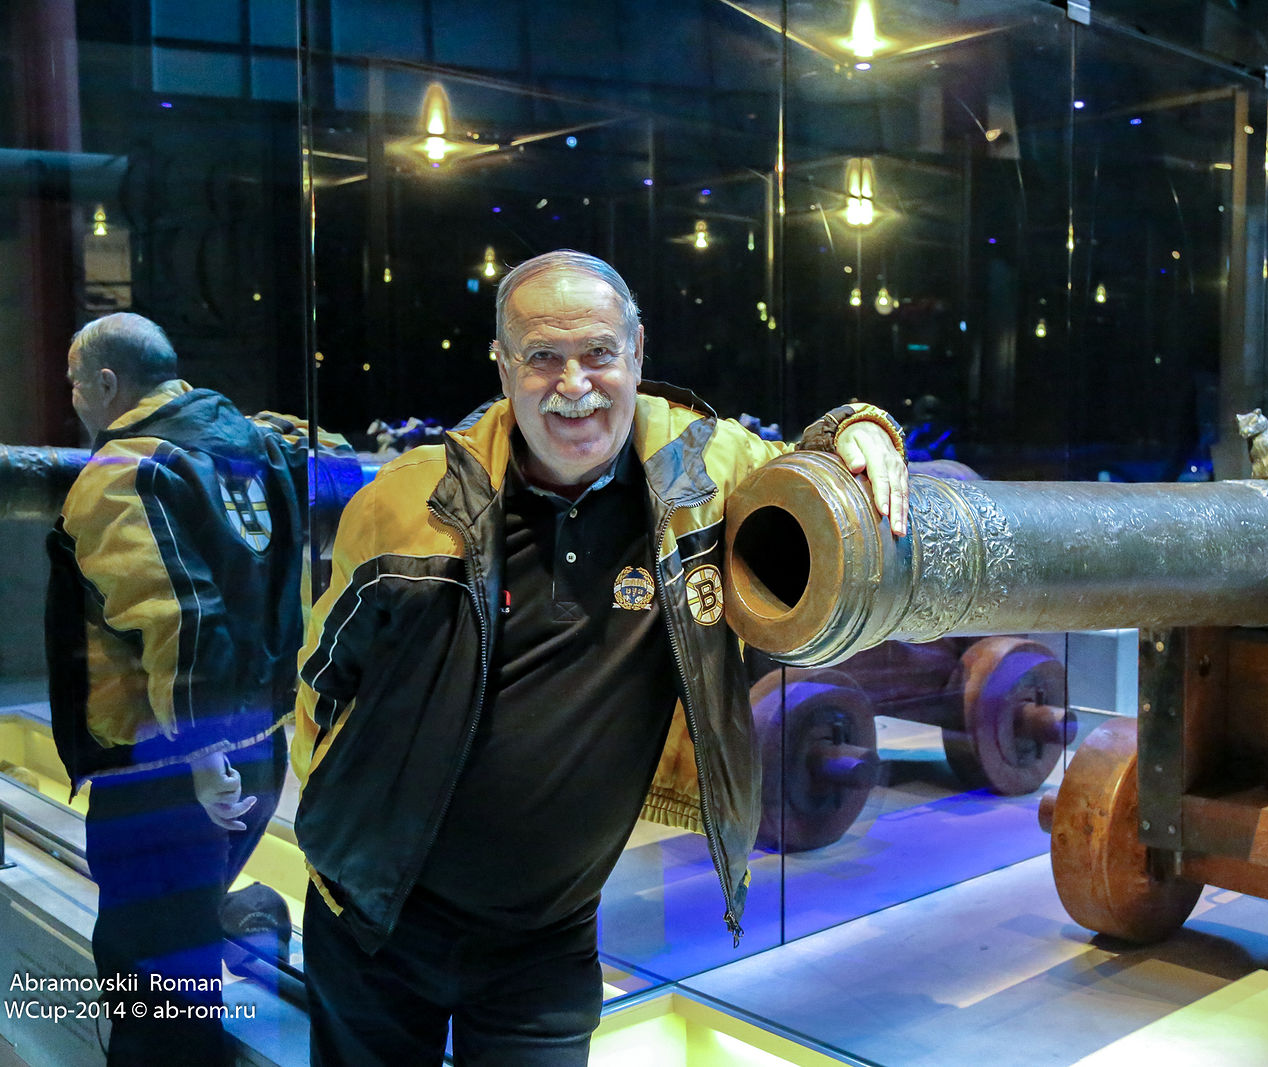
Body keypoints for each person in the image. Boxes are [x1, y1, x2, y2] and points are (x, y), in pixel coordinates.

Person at [293, 249, 909, 1065]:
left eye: (597, 352)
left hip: (546, 943)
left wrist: (858, 427)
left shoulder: (698, 468)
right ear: (503, 366)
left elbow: (809, 472)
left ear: (638, 352)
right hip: (373, 921)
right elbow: (322, 683)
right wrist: (340, 834)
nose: (574, 384)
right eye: (543, 357)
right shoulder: (405, 504)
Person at [46, 312, 319, 1064]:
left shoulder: (124, 473)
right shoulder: (255, 441)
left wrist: (201, 752)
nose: (73, 398)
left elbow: (180, 618)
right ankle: (250, 921)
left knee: (152, 988)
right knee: (184, 926)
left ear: (106, 382)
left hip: (170, 764)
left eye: (74, 384)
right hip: (259, 748)